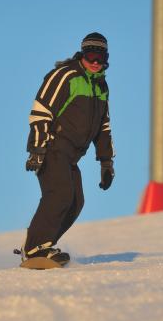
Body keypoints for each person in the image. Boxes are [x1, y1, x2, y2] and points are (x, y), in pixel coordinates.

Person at [21, 32, 115, 265]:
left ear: (106, 58)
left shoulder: (101, 86)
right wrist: (37, 149)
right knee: (60, 195)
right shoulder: (65, 76)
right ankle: (34, 248)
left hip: (71, 156)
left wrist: (106, 162)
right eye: (91, 55)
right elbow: (40, 112)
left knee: (76, 202)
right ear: (83, 54)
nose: (95, 61)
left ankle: (42, 244)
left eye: (100, 56)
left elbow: (104, 126)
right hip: (52, 147)